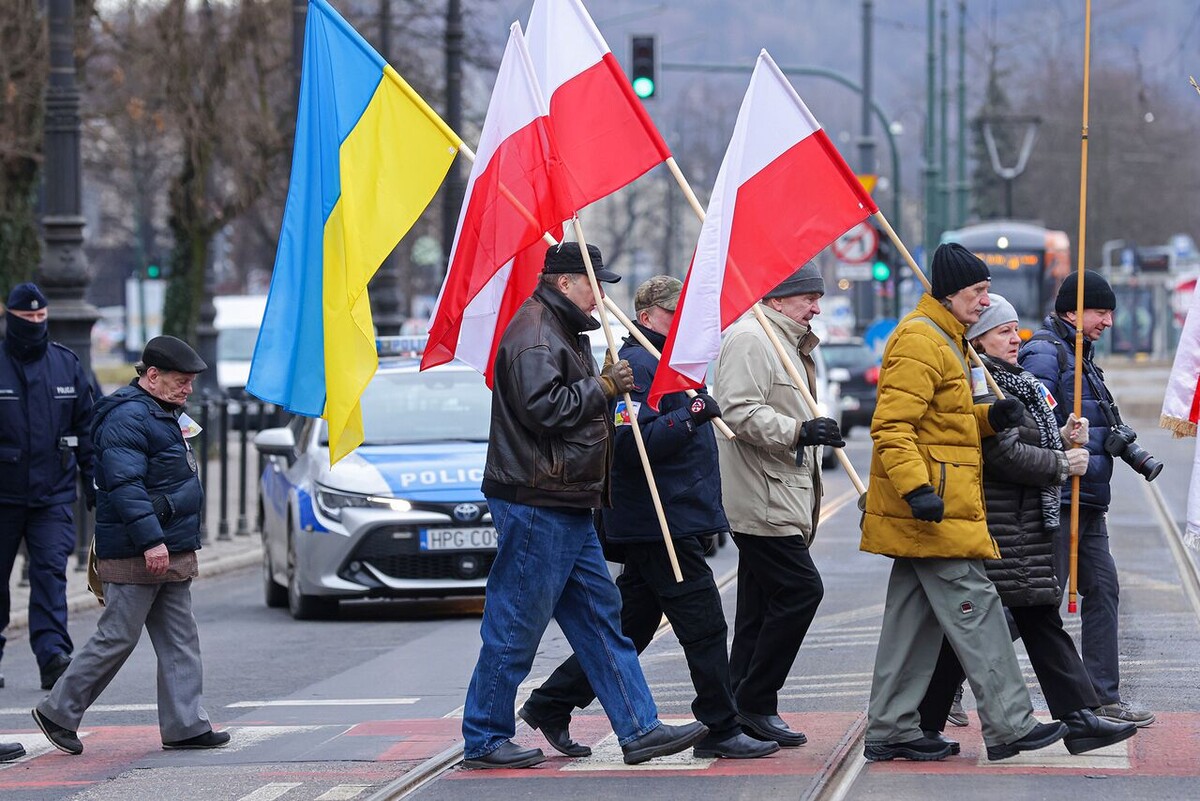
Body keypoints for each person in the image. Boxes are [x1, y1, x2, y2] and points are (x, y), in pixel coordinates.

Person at [462, 243, 708, 769]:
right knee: (516, 623)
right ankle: (484, 735)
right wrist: (604, 386)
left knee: (601, 620)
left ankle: (639, 728)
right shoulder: (535, 333)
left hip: (565, 500)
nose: (601, 298)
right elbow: (544, 411)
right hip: (538, 501)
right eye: (596, 285)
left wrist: (601, 388)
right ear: (568, 281)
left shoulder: (558, 328)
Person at [518, 276, 776, 761]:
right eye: (672, 311)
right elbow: (634, 445)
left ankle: (551, 703)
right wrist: (691, 416)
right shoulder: (637, 364)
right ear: (646, 316)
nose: (682, 320)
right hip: (656, 522)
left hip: (674, 517)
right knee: (703, 624)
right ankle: (720, 727)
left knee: (631, 627)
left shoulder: (674, 364)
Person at [859, 243, 1066, 763]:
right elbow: (891, 426)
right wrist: (916, 490)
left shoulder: (944, 339)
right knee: (979, 608)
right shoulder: (921, 340)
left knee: (913, 620)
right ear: (951, 293)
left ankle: (891, 728)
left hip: (937, 501)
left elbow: (940, 424)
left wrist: (988, 419)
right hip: (933, 506)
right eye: (977, 292)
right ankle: (1010, 724)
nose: (984, 301)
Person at [915, 294, 1138, 756]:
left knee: (1019, 618)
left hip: (1024, 520)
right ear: (978, 339)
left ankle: (927, 720)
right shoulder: (982, 382)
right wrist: (1062, 462)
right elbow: (1003, 454)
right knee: (1000, 621)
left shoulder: (1015, 380)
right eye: (1003, 331)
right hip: (1000, 520)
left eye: (1015, 328)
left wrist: (1060, 435)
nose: (1015, 339)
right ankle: (926, 720)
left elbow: (1023, 440)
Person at [32, 335, 230, 755]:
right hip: (140, 550)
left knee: (180, 638)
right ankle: (57, 712)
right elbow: (124, 487)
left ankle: (185, 725)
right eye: (181, 380)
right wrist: (152, 541)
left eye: (192, 382)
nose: (188, 389)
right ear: (152, 376)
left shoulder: (162, 412)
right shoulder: (129, 417)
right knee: (117, 636)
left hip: (168, 548)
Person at [710, 263, 845, 748]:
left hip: (779, 492)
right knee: (801, 591)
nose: (816, 307)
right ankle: (757, 701)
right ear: (777, 299)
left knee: (758, 607)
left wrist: (808, 429)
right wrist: (800, 431)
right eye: (808, 297)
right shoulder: (752, 338)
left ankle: (733, 706)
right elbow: (740, 411)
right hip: (762, 496)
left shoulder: (786, 342)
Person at [1019, 270, 1155, 727]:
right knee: (1032, 604)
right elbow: (1030, 419)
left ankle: (1102, 699)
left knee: (1103, 591)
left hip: (1088, 503)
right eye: (1100, 311)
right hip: (1056, 501)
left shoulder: (1083, 356)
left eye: (1111, 311)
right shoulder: (1044, 352)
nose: (1109, 321)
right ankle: (949, 682)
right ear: (1072, 312)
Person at [0, 282, 95, 691]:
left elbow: (88, 429)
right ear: (10, 319)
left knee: (51, 575)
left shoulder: (66, 365)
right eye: (27, 318)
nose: (36, 324)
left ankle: (54, 656)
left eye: (42, 317)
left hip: (53, 494)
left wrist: (95, 483)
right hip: (2, 496)